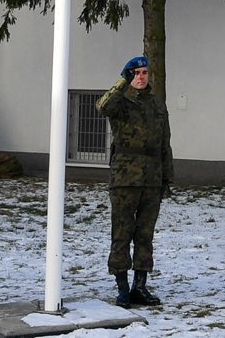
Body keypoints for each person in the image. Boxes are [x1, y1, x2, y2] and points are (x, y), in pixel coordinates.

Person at [96, 54, 174, 306]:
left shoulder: (157, 105)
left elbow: (165, 145)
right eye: (135, 73)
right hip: (125, 179)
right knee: (122, 233)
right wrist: (122, 83)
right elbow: (103, 107)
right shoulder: (120, 102)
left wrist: (167, 179)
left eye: (144, 73)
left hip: (151, 178)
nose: (141, 78)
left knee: (145, 235)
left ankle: (140, 286)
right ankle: (121, 287)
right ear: (128, 76)